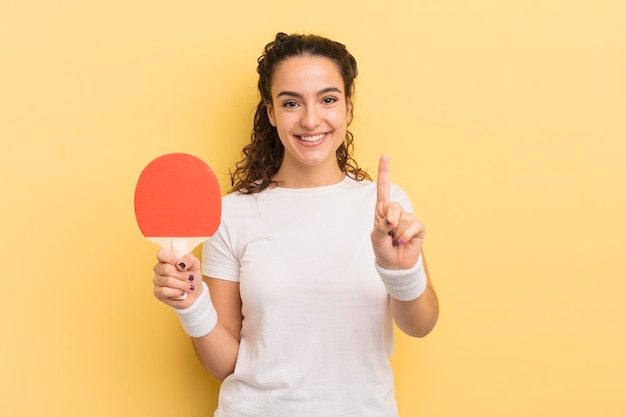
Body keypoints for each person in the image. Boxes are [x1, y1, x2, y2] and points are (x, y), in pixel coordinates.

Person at [152, 32, 439, 416]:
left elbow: (420, 325)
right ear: (271, 112)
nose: (310, 119)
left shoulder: (386, 207)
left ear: (348, 108)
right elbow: (223, 365)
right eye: (291, 103)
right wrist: (191, 304)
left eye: (328, 99)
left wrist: (398, 270)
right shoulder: (232, 214)